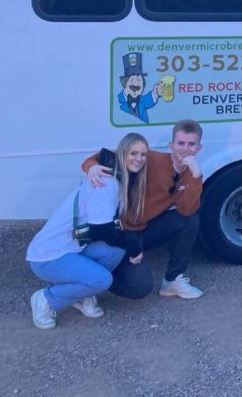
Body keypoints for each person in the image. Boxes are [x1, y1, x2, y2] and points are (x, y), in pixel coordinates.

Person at [27, 133, 149, 329]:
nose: (139, 159)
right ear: (122, 154)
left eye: (143, 155)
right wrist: (134, 246)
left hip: (72, 247)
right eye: (133, 153)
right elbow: (102, 230)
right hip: (48, 257)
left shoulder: (117, 177)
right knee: (104, 279)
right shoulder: (106, 182)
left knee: (114, 252)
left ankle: (82, 295)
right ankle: (46, 299)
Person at [84, 119, 205, 300]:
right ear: (171, 145)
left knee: (190, 219)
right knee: (140, 285)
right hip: (121, 231)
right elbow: (101, 156)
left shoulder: (191, 173)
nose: (185, 149)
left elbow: (187, 210)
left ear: (198, 148)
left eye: (191, 144)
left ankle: (172, 281)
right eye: (181, 143)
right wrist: (91, 167)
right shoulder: (149, 158)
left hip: (145, 229)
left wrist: (196, 175)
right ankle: (89, 286)